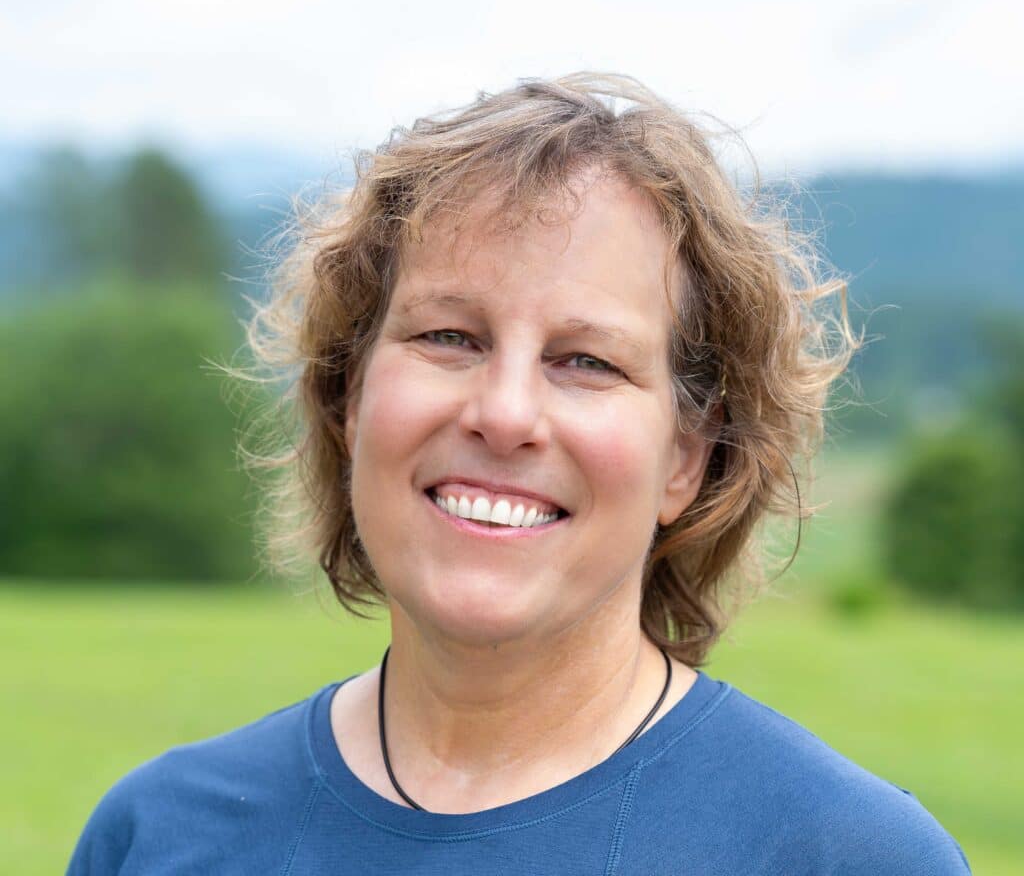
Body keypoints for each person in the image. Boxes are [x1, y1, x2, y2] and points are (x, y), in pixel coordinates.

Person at [67, 74, 971, 874]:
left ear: (686, 457)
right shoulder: (156, 836)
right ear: (350, 399)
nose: (503, 414)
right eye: (449, 337)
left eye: (586, 361)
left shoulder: (845, 857)